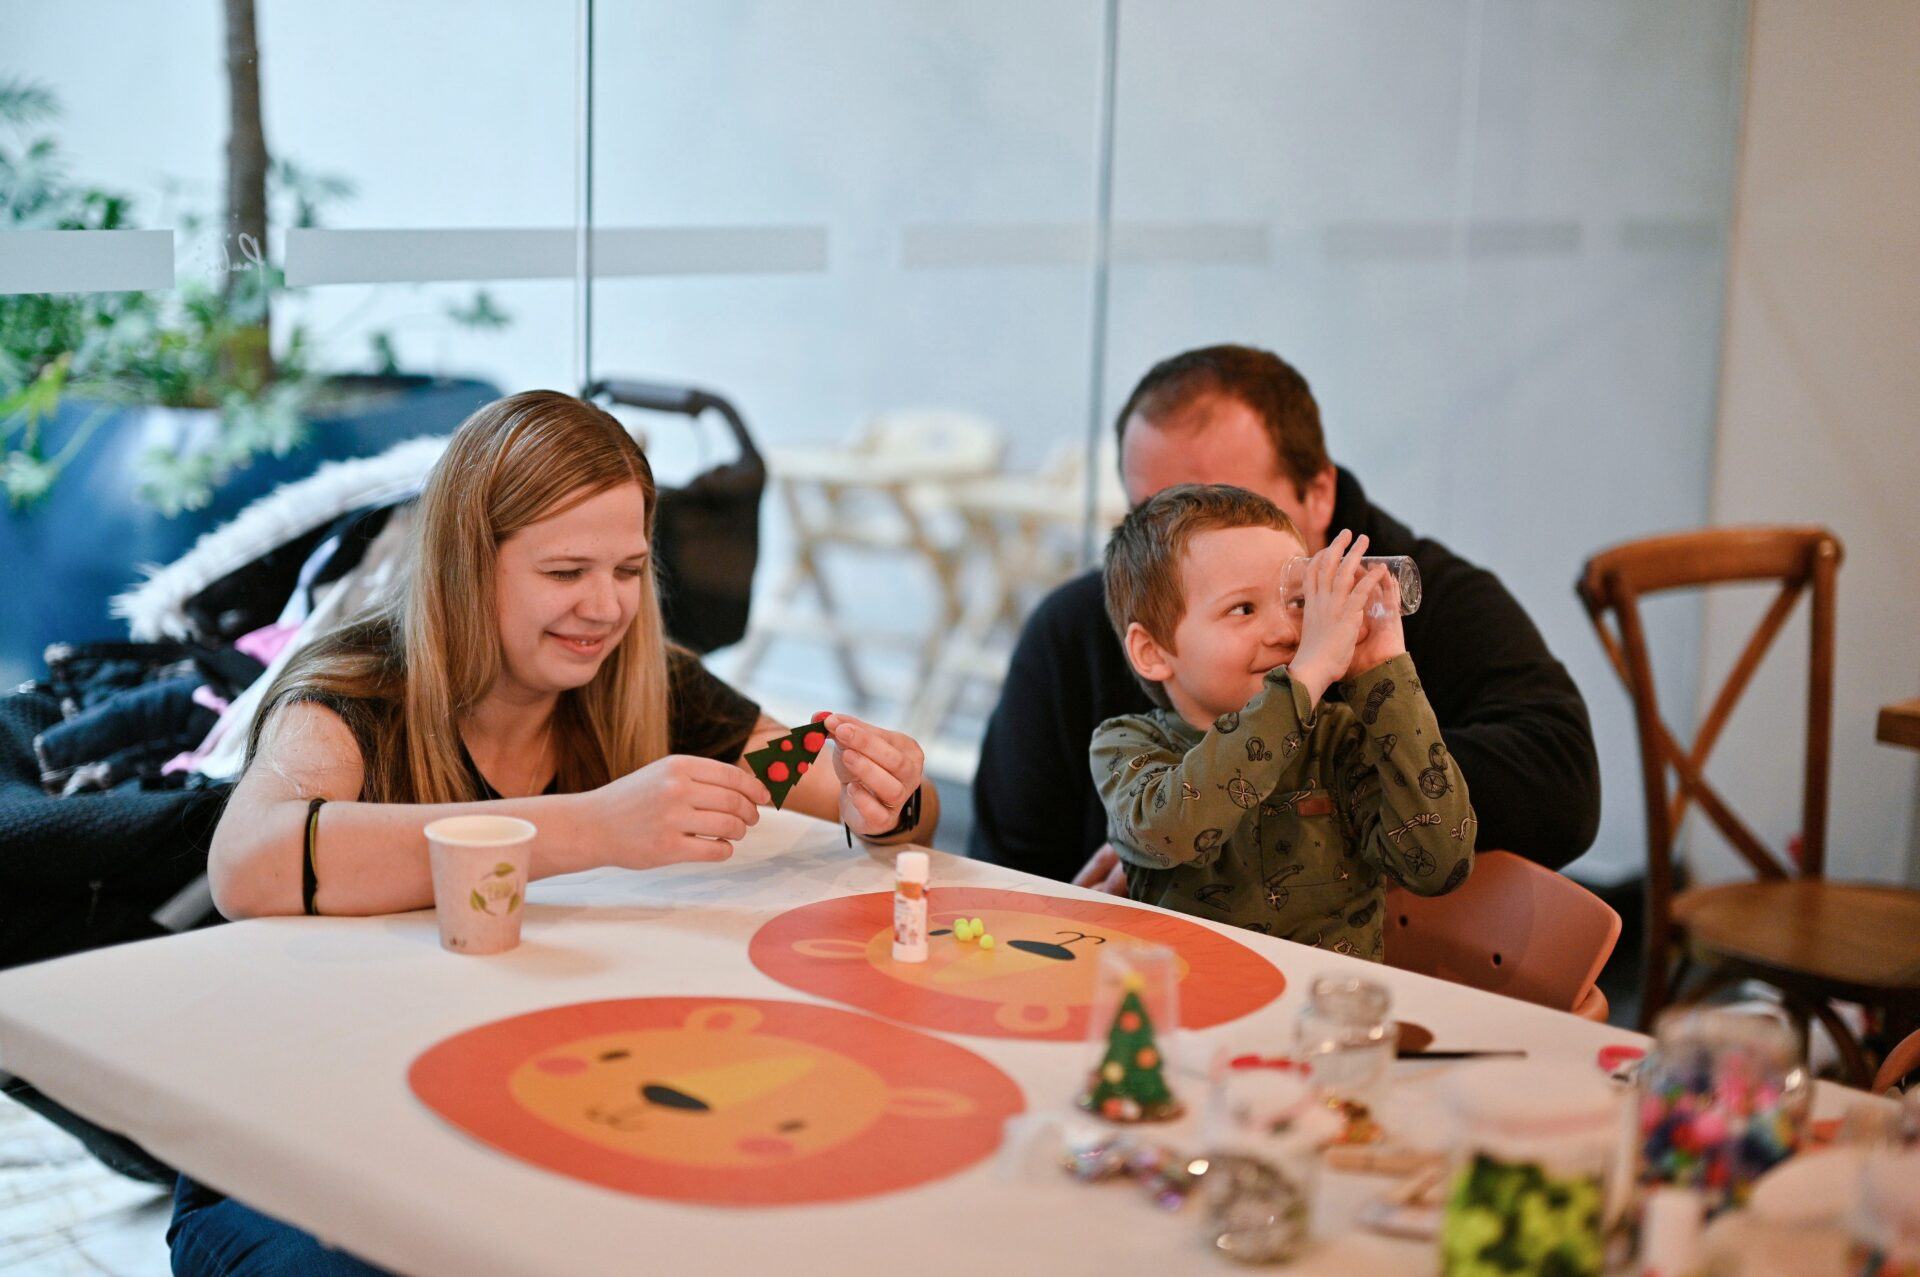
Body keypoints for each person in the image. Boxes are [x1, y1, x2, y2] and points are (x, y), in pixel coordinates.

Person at [174, 390, 934, 1275]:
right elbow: (251, 864)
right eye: (566, 572)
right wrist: (594, 826)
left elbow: (852, 790)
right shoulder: (353, 688)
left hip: (501, 1129)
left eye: (628, 569)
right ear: (467, 564)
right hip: (287, 1158)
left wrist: (889, 794)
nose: (605, 607)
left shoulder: (648, 684)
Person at [970, 345, 1597, 889]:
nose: (1181, 549)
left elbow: (1560, 786)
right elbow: (1005, 859)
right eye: (1151, 516)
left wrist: (1324, 789)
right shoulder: (1078, 628)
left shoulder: (1414, 599)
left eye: (1226, 510)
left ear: (1318, 494)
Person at [1092, 484, 1473, 955]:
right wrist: (1305, 677)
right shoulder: (1127, 744)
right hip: (1186, 996)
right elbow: (1174, 831)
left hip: (1324, 1000)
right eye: (1243, 609)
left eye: (1297, 602)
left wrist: (1383, 674)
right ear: (1152, 652)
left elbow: (1439, 864)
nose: (1286, 632)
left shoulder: (1340, 738)